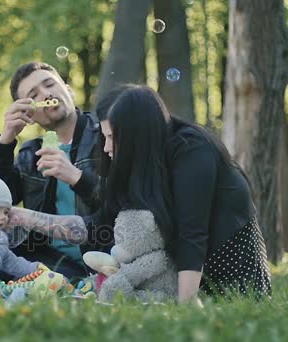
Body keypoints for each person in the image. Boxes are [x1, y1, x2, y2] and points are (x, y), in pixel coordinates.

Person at [94, 84, 271, 303]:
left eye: (112, 137)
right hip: (179, 274)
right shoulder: (146, 159)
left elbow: (192, 233)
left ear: (136, 132)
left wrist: (186, 304)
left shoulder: (192, 149)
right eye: (105, 137)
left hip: (228, 273)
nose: (107, 148)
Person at [0, 62, 109, 280]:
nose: (46, 94)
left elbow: (126, 204)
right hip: (52, 263)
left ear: (68, 89)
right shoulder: (30, 154)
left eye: (49, 84)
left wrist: (76, 177)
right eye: (34, 94)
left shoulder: (106, 137)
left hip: (106, 256)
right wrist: (6, 139)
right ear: (28, 114)